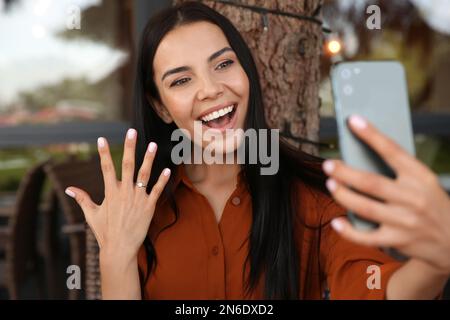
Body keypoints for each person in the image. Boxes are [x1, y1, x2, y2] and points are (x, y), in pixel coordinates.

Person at [65, 2, 450, 300]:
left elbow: (376, 289)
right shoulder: (139, 208)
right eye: (181, 80)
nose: (212, 89)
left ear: (246, 73)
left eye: (223, 64)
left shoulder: (313, 193)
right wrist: (116, 254)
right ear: (161, 106)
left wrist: (437, 260)